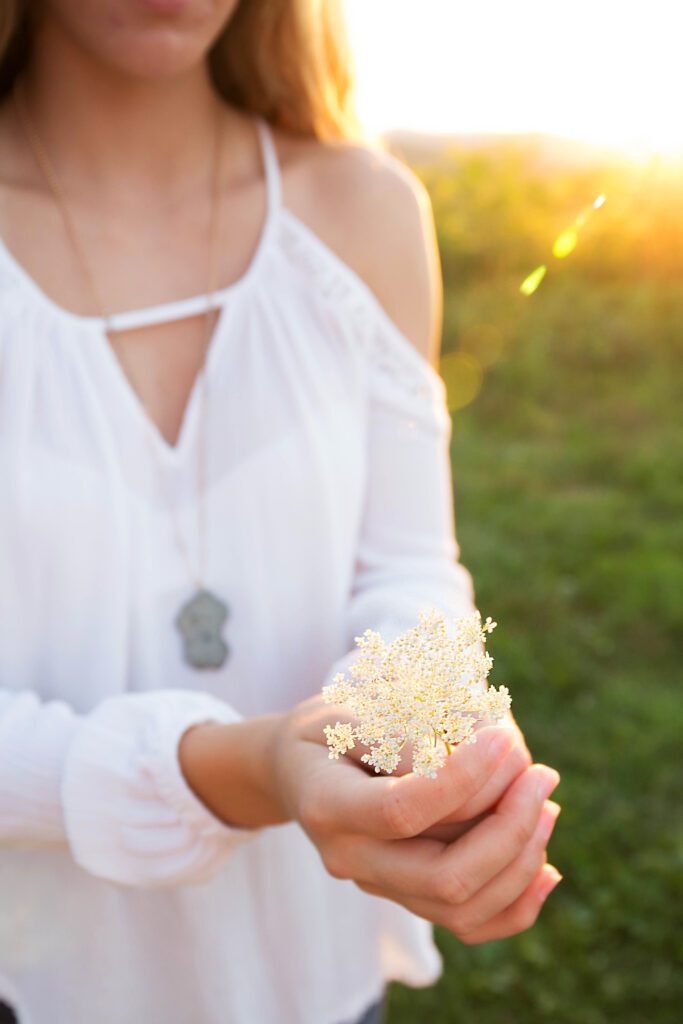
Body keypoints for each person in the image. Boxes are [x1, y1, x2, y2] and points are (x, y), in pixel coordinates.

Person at [0, 2, 563, 1022]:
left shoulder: (362, 210)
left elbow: (408, 576)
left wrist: (415, 748)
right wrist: (253, 768)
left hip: (305, 970)